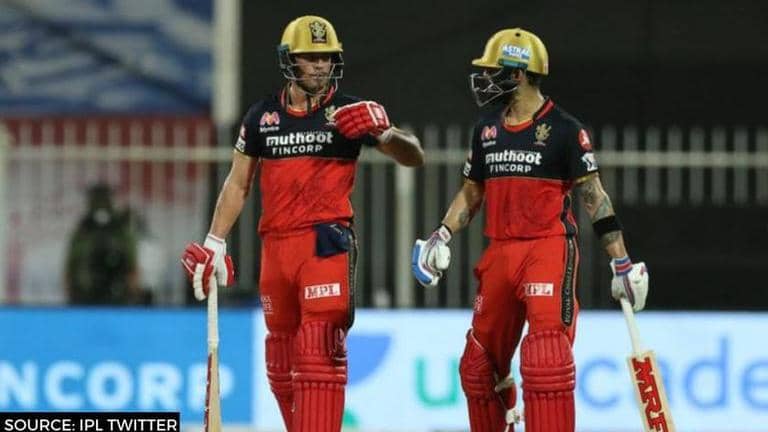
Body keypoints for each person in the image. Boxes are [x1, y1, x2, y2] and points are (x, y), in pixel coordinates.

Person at [181, 15, 423, 432]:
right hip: (276, 248)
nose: (320, 66)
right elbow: (238, 183)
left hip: (324, 244)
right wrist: (215, 241)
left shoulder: (350, 112)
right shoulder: (262, 116)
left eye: (326, 58)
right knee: (280, 357)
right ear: (289, 61)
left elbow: (414, 156)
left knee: (318, 348)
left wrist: (385, 134)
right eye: (310, 58)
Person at [412, 29, 649, 431]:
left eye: (493, 71)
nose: (485, 80)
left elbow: (594, 197)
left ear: (518, 74)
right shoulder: (486, 128)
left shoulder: (565, 130)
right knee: (478, 367)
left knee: (546, 359)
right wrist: (442, 234)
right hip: (500, 252)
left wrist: (621, 263)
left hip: (547, 249)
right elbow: (472, 192)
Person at [65, 183, 144, 305]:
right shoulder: (85, 229)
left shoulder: (117, 229)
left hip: (111, 293)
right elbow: (132, 265)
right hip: (89, 293)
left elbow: (132, 265)